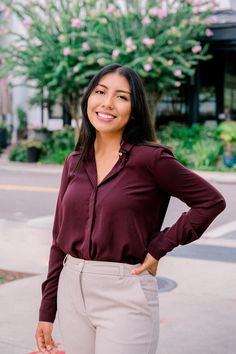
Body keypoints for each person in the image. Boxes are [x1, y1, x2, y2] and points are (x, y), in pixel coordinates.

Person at [35, 63, 226, 354]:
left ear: (134, 109)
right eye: (100, 92)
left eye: (121, 96)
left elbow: (210, 201)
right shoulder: (74, 162)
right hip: (72, 289)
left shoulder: (151, 159)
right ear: (88, 98)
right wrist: (46, 311)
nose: (107, 103)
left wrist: (160, 245)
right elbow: (58, 239)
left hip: (125, 292)